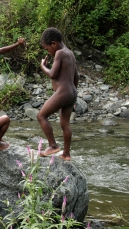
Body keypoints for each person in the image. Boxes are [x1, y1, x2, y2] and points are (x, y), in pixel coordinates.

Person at [37, 27, 78, 161]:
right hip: (71, 93)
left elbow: (53, 74)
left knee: (41, 116)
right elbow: (76, 76)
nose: (48, 52)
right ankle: (66, 154)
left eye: (47, 49)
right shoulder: (70, 53)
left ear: (54, 44)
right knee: (65, 124)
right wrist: (73, 97)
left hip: (63, 92)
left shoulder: (60, 53)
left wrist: (43, 66)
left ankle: (52, 145)